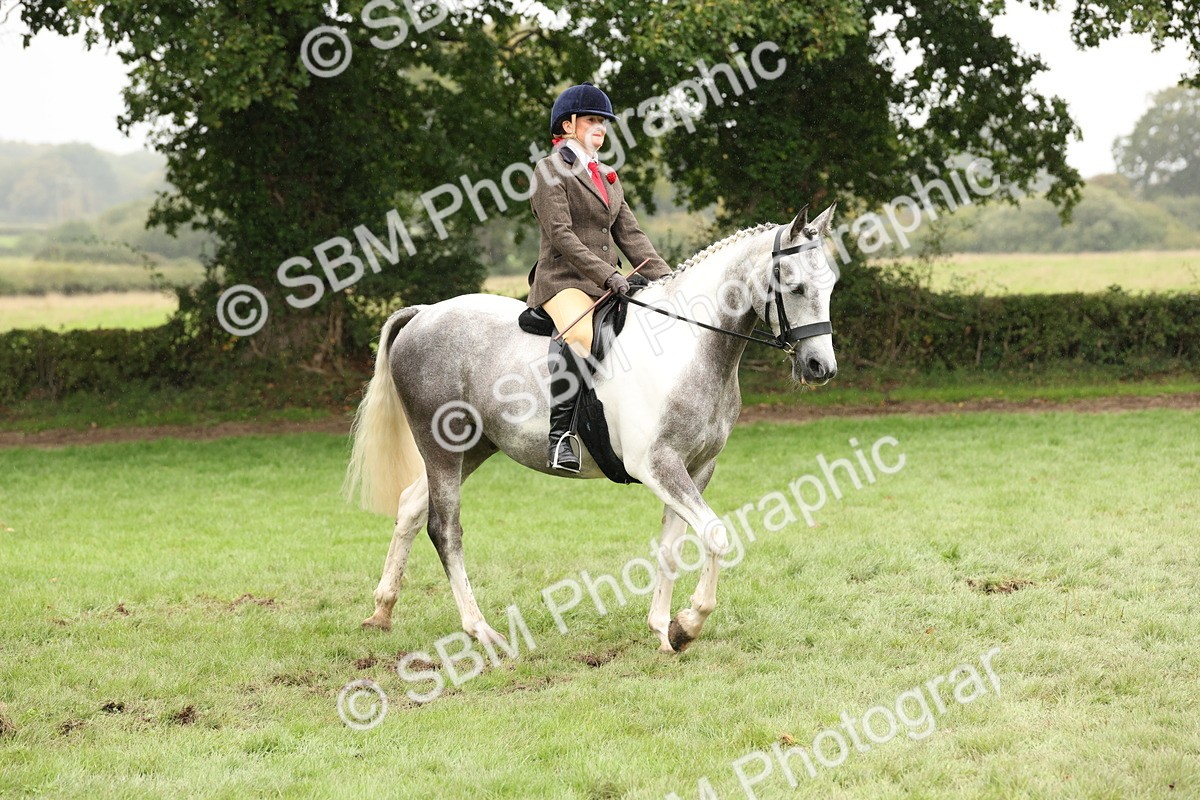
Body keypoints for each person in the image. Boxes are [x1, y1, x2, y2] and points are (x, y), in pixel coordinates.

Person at [528, 82, 671, 473]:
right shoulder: (548, 170)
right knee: (580, 334)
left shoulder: (606, 175)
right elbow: (561, 235)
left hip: (606, 283)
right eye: (592, 120)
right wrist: (608, 274)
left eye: (603, 122)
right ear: (568, 125)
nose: (600, 128)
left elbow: (632, 235)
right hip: (563, 280)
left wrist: (669, 280)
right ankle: (561, 437)